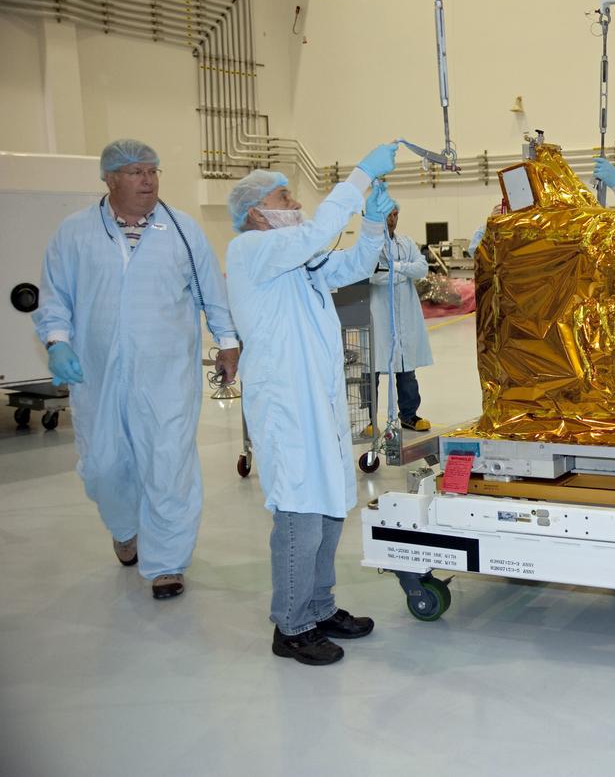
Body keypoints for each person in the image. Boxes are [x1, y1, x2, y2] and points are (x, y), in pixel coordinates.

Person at [33, 139, 238, 601]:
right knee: (103, 465)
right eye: (135, 172)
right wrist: (57, 342)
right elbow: (55, 297)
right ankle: (124, 528)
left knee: (169, 465)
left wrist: (227, 344)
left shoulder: (182, 230)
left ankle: (166, 563)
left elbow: (211, 293)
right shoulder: (74, 233)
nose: (148, 180)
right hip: (98, 373)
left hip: (166, 374)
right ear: (109, 179)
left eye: (153, 171)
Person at [224, 142, 399, 666]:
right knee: (300, 513)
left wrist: (371, 224)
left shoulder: (298, 265)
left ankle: (320, 608)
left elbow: (353, 263)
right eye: (285, 195)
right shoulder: (251, 251)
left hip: (316, 406)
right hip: (286, 405)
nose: (294, 201)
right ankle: (292, 626)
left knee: (327, 509)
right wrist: (359, 177)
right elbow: (319, 232)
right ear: (257, 211)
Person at [370, 203, 433, 432]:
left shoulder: (406, 243)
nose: (393, 219)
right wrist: (402, 272)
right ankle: (370, 420)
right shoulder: (368, 244)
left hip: (404, 315)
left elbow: (421, 269)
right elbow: (373, 275)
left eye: (396, 214)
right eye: (389, 215)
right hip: (379, 315)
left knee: (406, 368)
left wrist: (394, 267)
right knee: (373, 368)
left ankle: (409, 414)